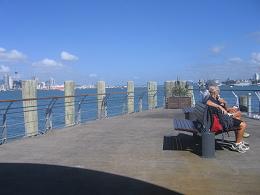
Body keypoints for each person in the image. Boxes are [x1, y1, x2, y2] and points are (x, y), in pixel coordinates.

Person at [205, 86, 249, 153]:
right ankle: (237, 145)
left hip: (220, 118)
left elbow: (225, 109)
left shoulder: (215, 99)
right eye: (218, 90)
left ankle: (238, 141)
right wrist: (219, 106)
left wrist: (224, 103)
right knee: (243, 124)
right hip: (221, 122)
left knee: (238, 117)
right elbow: (207, 102)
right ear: (215, 92)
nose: (219, 92)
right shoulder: (210, 99)